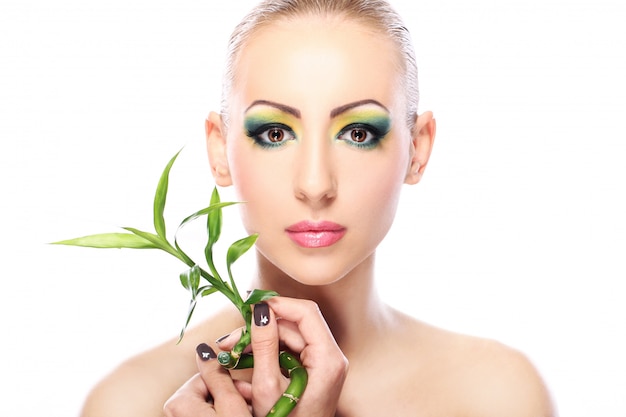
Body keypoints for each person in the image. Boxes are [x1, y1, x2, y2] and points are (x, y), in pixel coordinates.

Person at [80, 1, 556, 416]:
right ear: (220, 150)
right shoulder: (130, 403)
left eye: (358, 133)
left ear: (418, 149)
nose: (314, 185)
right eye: (274, 133)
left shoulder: (497, 396)